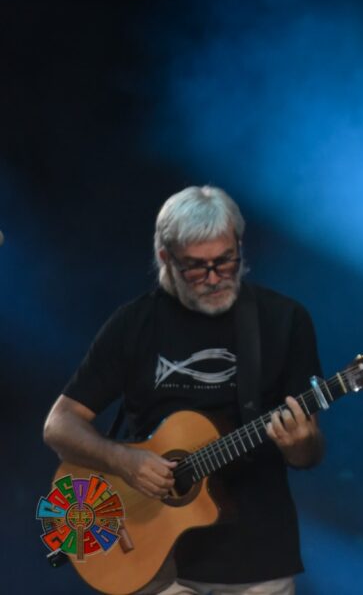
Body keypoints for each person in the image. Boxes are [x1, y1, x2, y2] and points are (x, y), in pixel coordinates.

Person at [43, 185, 324, 595]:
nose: (214, 278)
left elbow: (307, 454)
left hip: (258, 560)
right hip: (150, 560)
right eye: (196, 267)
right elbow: (59, 426)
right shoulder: (134, 323)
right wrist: (123, 461)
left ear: (239, 246)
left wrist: (300, 443)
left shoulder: (284, 320)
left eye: (225, 260)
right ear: (166, 258)